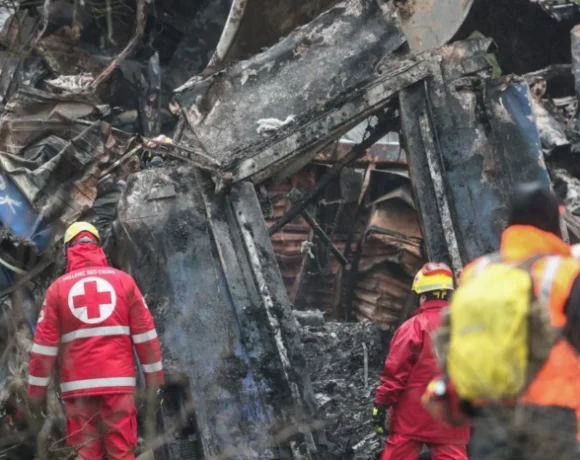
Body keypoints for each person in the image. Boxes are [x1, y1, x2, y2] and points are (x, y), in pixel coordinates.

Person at [425, 182, 580, 460]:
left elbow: (454, 339)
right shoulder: (568, 272)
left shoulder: (476, 272)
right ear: (553, 221)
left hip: (491, 418)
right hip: (553, 418)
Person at [27, 222, 164, 460]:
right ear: (98, 246)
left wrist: (35, 396)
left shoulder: (57, 290)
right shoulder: (124, 282)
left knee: (85, 453)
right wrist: (155, 384)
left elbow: (43, 350)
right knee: (122, 452)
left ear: (68, 249)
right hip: (118, 387)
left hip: (78, 392)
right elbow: (147, 338)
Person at [373, 262, 470, 460]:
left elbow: (395, 374)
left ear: (422, 296)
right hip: (450, 415)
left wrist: (381, 404)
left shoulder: (412, 327)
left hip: (412, 418)